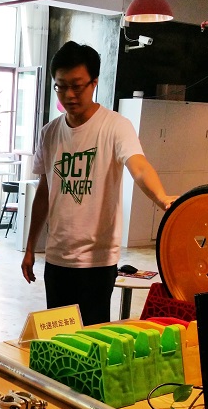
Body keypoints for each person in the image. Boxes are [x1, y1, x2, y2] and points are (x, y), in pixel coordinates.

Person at [21, 41, 175, 325]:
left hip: (97, 261)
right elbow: (44, 192)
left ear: (94, 83)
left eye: (77, 86)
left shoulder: (115, 126)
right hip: (57, 259)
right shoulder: (49, 133)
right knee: (59, 337)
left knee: (92, 338)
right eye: (61, 86)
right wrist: (31, 247)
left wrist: (162, 197)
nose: (68, 94)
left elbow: (139, 166)